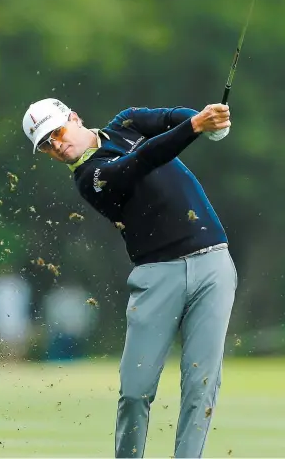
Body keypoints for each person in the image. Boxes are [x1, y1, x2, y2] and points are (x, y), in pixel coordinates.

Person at [21, 98, 238, 458]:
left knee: (202, 384)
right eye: (46, 144)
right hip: (157, 276)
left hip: (213, 261)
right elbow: (139, 162)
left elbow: (169, 117)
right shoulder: (90, 178)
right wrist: (196, 126)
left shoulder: (127, 123)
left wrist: (210, 122)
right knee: (136, 390)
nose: (56, 145)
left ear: (74, 117)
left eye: (56, 132)